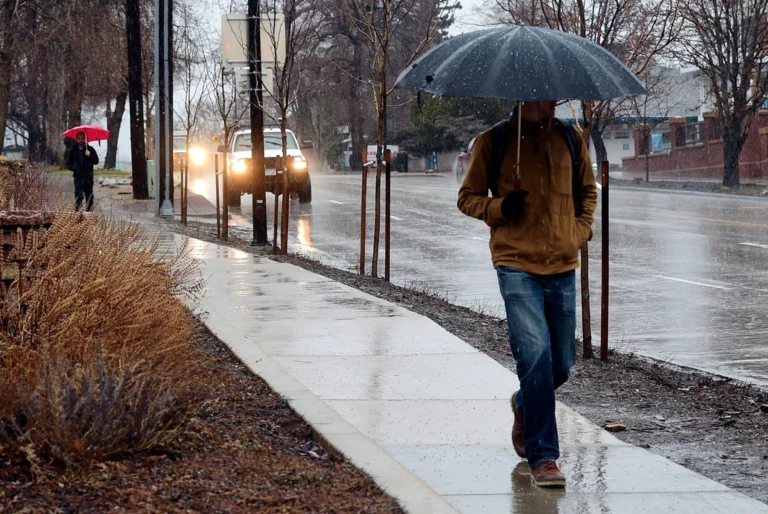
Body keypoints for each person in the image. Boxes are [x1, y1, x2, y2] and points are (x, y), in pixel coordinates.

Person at [457, 100, 597, 488]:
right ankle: (544, 456)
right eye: (541, 93)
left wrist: (580, 232)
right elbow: (467, 197)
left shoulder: (571, 139)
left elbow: (588, 192)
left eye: (554, 93)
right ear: (522, 96)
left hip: (563, 263)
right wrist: (500, 207)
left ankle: (523, 403)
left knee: (562, 363)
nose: (550, 100)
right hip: (516, 263)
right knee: (535, 357)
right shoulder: (495, 141)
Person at [66, 131, 99, 211]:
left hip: (88, 177)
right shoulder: (73, 150)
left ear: (85, 139)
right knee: (78, 195)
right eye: (79, 138)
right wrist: (75, 168)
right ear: (76, 139)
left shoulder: (90, 149)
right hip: (78, 177)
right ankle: (78, 212)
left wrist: (89, 156)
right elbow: (68, 163)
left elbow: (96, 161)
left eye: (82, 138)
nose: (81, 140)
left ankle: (89, 212)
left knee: (89, 195)